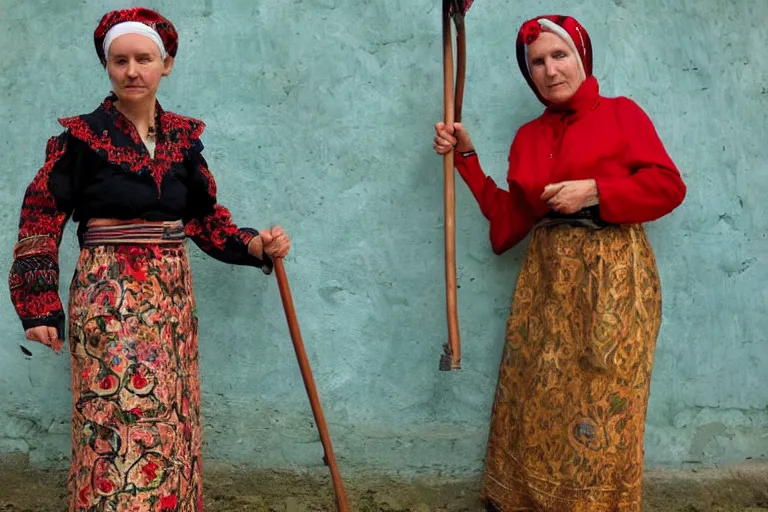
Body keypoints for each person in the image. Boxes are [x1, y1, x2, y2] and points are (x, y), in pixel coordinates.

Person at [8, 8, 290, 511]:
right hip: (108, 298)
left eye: (144, 59)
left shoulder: (183, 141)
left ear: (167, 65)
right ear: (107, 67)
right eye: (120, 61)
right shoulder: (82, 138)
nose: (132, 70)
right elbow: (40, 218)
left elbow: (204, 219)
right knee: (113, 418)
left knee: (170, 421)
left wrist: (254, 245)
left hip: (171, 305)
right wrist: (39, 306)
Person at [433, 14, 686, 512]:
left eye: (559, 55)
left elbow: (668, 186)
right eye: (537, 62)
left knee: (602, 401)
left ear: (581, 57)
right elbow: (511, 216)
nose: (550, 70)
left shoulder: (621, 114)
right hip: (546, 284)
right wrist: (466, 159)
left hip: (613, 278)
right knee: (537, 400)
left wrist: (596, 190)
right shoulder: (529, 138)